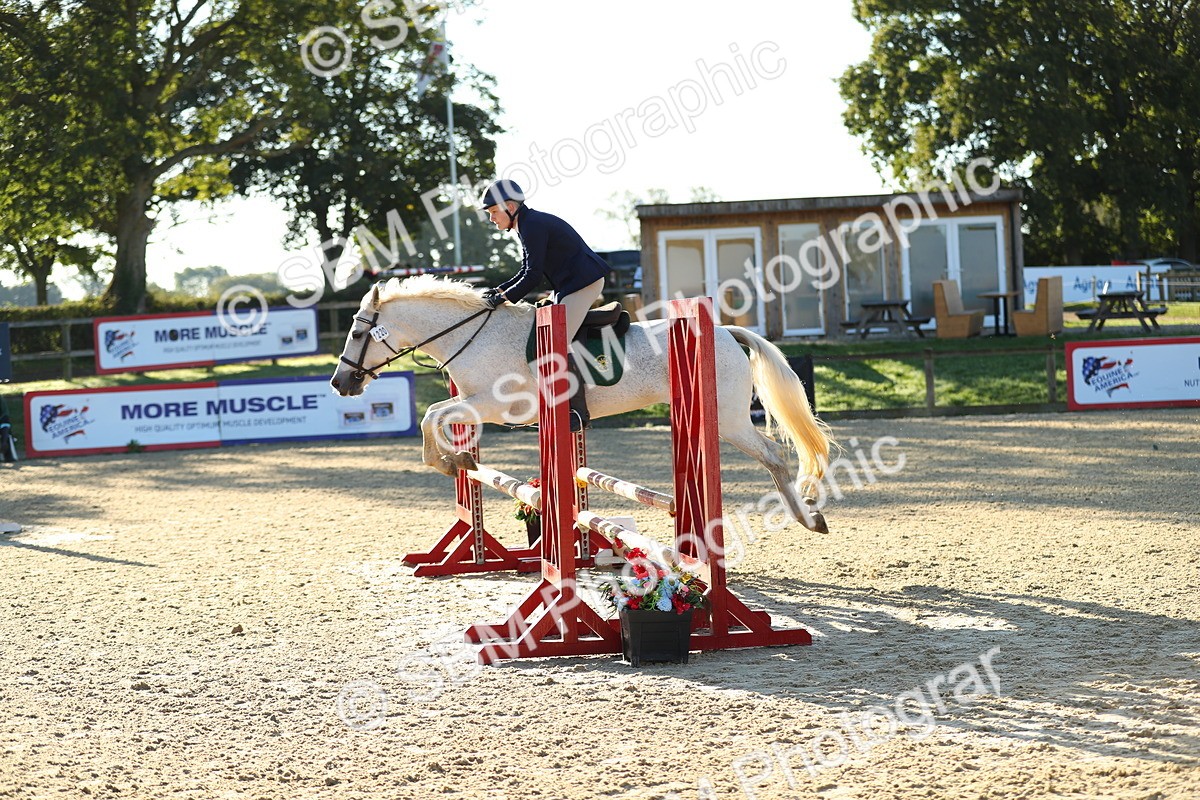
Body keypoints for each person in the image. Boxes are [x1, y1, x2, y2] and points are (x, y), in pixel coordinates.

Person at [479, 179, 608, 431]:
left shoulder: (532, 225)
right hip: (570, 284)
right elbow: (526, 270)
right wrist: (500, 290)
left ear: (509, 206)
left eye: (493, 212)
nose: (492, 218)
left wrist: (504, 297)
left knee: (556, 344)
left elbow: (533, 276)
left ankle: (577, 413)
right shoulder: (527, 223)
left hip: (583, 282)